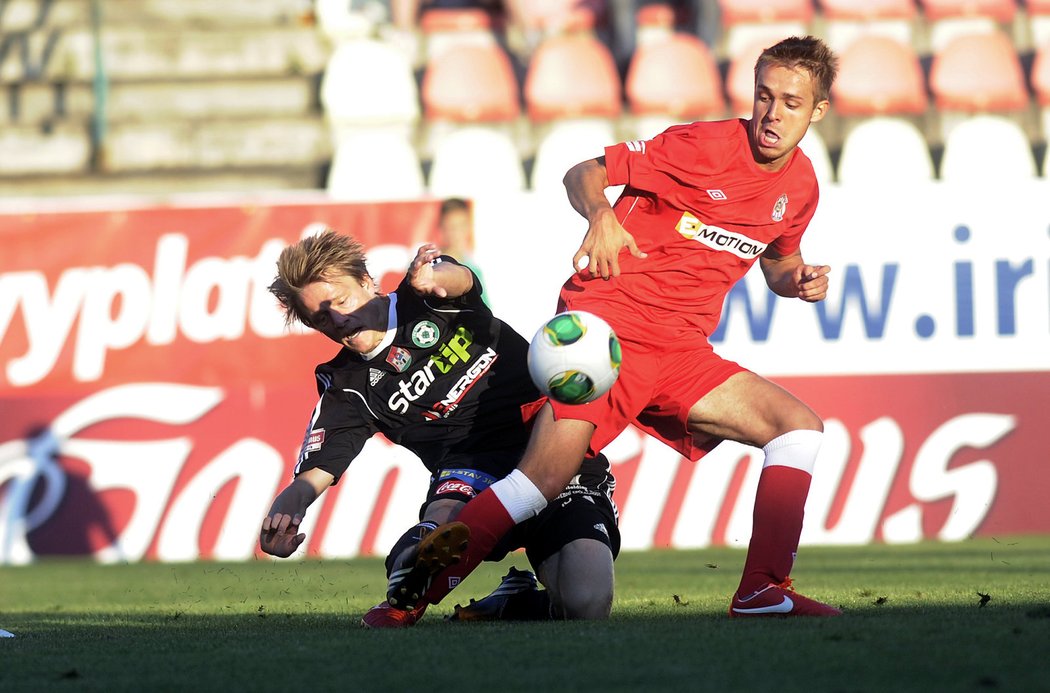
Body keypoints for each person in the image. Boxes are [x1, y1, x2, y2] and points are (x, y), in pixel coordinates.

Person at [389, 35, 844, 617]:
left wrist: (796, 279)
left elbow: (777, 261)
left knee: (798, 428)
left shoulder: (800, 186)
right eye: (763, 96)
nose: (772, 114)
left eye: (790, 103)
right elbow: (582, 172)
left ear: (818, 111)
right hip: (607, 330)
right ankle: (411, 599)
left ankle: (761, 590)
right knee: (542, 479)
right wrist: (601, 213)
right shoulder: (698, 146)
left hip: (681, 351)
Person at [259, 230, 619, 627]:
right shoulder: (346, 388)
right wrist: (283, 515)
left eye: (342, 301)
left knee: (586, 605)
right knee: (443, 520)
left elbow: (460, 279)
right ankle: (409, 565)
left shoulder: (426, 297)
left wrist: (437, 275)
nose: (340, 320)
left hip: (554, 451)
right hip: (472, 472)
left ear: (365, 280)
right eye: (321, 318)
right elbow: (312, 476)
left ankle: (508, 601)